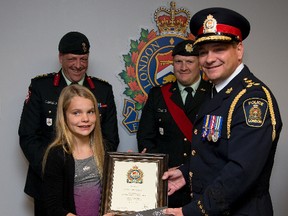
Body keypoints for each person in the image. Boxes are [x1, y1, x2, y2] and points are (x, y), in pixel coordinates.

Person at [162, 7, 282, 216]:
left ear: (239, 50)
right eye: (203, 52)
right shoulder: (216, 91)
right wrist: (184, 172)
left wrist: (192, 211)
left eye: (218, 49)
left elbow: (241, 171)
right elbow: (215, 150)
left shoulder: (252, 99)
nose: (209, 59)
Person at [18, 31, 119, 216]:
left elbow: (110, 138)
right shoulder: (41, 87)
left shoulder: (103, 90)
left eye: (84, 59)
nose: (78, 65)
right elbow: (28, 137)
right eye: (72, 59)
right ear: (60, 58)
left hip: (92, 184)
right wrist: (55, 171)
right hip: (47, 185)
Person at [137, 39, 211, 207]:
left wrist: (187, 170)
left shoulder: (213, 93)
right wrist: (165, 170)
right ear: (173, 64)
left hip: (202, 180)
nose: (183, 67)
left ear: (199, 63)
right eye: (178, 62)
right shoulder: (158, 94)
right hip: (167, 182)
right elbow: (145, 138)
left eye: (189, 62)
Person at [42, 84, 104, 216]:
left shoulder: (104, 149)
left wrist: (126, 164)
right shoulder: (57, 154)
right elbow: (53, 207)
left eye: (90, 112)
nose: (85, 119)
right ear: (64, 116)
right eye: (76, 113)